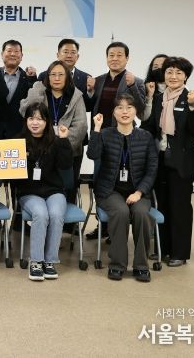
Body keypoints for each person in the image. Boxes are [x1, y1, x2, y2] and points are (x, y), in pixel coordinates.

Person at [87, 94, 158, 282]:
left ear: (136, 111)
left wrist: (139, 192)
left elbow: (152, 169)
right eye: (120, 107)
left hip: (138, 191)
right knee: (121, 212)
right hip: (109, 191)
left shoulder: (145, 137)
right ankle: (117, 265)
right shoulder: (105, 134)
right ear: (114, 112)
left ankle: (141, 266)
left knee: (142, 214)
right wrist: (96, 129)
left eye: (129, 107)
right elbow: (92, 154)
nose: (124, 111)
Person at [141, 57, 194, 267]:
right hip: (160, 159)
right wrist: (149, 99)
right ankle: (163, 248)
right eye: (169, 72)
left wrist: (192, 108)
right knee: (162, 205)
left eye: (178, 73)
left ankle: (180, 252)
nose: (173, 76)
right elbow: (149, 127)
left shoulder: (193, 99)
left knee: (180, 207)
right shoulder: (159, 98)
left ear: (186, 76)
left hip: (181, 162)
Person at [85, 42, 146, 241]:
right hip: (100, 139)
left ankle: (116, 227)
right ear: (106, 58)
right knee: (100, 182)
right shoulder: (99, 80)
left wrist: (132, 86)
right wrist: (90, 91)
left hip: (123, 141)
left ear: (127, 58)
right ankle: (103, 226)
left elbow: (141, 110)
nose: (115, 58)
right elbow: (90, 105)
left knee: (120, 183)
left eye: (120, 55)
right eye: (111, 55)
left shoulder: (135, 81)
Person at [12, 103, 73, 281]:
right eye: (31, 118)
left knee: (56, 214)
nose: (35, 123)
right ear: (26, 121)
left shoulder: (55, 141)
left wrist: (64, 140)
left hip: (54, 191)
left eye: (39, 119)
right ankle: (36, 261)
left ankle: (50, 261)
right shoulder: (18, 141)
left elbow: (66, 165)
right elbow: (11, 175)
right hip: (29, 192)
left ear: (47, 122)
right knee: (41, 214)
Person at [20, 60, 88, 204]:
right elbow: (24, 111)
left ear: (67, 77)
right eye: (53, 74)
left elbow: (81, 126)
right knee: (36, 186)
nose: (57, 78)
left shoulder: (76, 96)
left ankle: (67, 217)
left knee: (68, 188)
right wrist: (37, 88)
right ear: (48, 76)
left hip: (68, 150)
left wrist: (60, 146)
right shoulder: (40, 91)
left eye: (61, 75)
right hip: (39, 150)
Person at [0, 40, 37, 139]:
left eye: (16, 51)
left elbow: (33, 105)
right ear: (2, 54)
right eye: (9, 51)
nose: (13, 54)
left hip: (20, 134)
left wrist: (32, 79)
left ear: (21, 56)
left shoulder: (29, 78)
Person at [38, 39, 91, 105]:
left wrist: (90, 91)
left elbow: (89, 106)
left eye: (73, 52)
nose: (69, 56)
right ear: (58, 55)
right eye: (65, 52)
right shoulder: (44, 76)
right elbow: (36, 103)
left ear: (77, 57)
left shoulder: (86, 78)